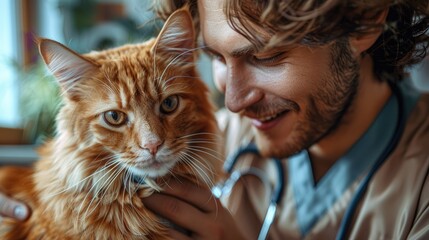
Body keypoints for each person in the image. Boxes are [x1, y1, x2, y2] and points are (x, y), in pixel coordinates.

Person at [2, 0, 429, 239]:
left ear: (365, 22)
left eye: (265, 57)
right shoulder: (206, 136)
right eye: (214, 58)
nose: (233, 100)